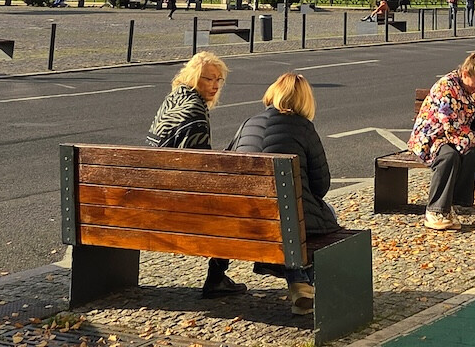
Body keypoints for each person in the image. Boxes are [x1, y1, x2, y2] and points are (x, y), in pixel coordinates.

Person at [228, 72, 342, 316]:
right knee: (312, 215)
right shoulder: (304, 128)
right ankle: (301, 282)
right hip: (285, 220)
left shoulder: (248, 123)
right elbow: (321, 185)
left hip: (246, 216)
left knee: (283, 216)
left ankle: (216, 275)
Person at [146, 52, 247, 300]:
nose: (215, 85)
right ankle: (216, 278)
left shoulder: (173, 99)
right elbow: (199, 173)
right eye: (208, 79)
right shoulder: (194, 112)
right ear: (193, 77)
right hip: (175, 204)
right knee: (236, 206)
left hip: (151, 193)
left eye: (218, 79)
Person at [408, 50, 475, 231]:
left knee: (473, 155)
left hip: (457, 137)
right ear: (465, 74)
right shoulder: (446, 87)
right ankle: (435, 210)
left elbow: (470, 120)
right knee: (449, 157)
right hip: (432, 136)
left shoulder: (471, 90)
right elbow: (451, 125)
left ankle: (453, 204)